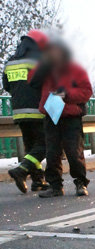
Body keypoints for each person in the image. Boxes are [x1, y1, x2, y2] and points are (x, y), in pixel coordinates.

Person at [30, 40, 93, 198]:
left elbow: (86, 91)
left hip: (71, 116)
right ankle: (55, 186)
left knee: (74, 152)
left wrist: (68, 94)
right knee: (52, 152)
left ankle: (80, 183)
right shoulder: (44, 70)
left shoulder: (76, 70)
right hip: (51, 115)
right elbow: (32, 82)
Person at [2, 30, 50, 194]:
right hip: (36, 110)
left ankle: (38, 181)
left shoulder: (10, 62)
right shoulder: (38, 61)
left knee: (31, 147)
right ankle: (21, 170)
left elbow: (7, 86)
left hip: (19, 112)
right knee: (44, 146)